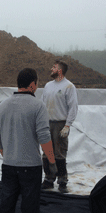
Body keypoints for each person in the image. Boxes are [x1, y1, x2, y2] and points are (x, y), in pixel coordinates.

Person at [0, 68, 58, 213]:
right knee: (30, 210)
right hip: (30, 167)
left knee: (7, 206)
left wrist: (9, 155)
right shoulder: (37, 106)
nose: (37, 87)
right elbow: (44, 137)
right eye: (37, 83)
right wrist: (52, 161)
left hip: (9, 166)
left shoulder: (2, 106)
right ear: (32, 85)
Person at [40, 60, 78, 193]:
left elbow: (73, 107)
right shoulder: (48, 86)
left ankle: (62, 181)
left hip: (60, 124)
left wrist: (67, 125)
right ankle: (48, 180)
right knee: (46, 153)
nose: (51, 69)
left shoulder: (69, 87)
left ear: (60, 71)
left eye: (54, 67)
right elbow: (42, 104)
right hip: (47, 123)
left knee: (59, 154)